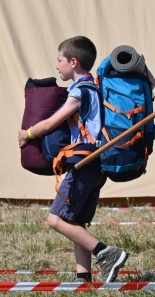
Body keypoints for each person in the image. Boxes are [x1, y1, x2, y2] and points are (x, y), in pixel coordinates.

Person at [17, 36, 128, 283]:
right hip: (96, 164)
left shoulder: (80, 90)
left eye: (60, 60)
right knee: (75, 220)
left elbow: (51, 122)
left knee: (56, 219)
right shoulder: (95, 87)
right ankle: (83, 276)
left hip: (85, 162)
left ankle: (107, 253)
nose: (57, 66)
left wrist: (28, 134)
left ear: (74, 61)